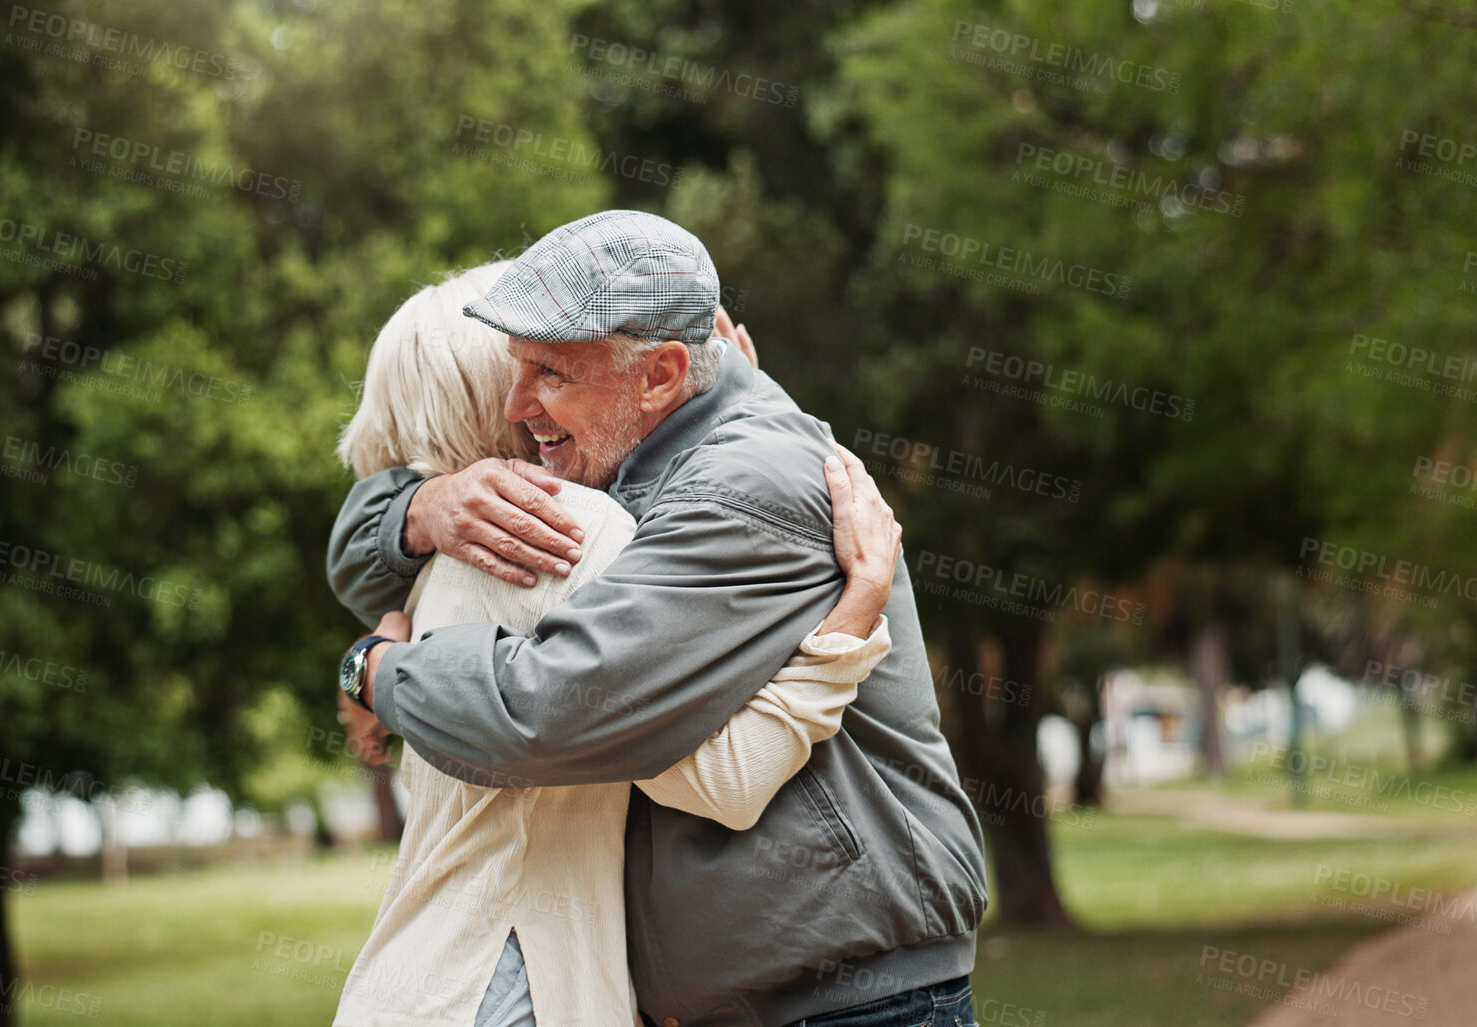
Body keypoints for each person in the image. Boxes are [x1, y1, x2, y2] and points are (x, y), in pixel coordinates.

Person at [329, 210, 988, 1027]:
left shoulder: (734, 488)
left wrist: (375, 669)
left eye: (549, 372)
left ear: (661, 374)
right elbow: (358, 563)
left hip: (845, 1000)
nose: (516, 403)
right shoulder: (604, 470)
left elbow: (546, 714)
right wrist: (420, 508)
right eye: (512, 368)